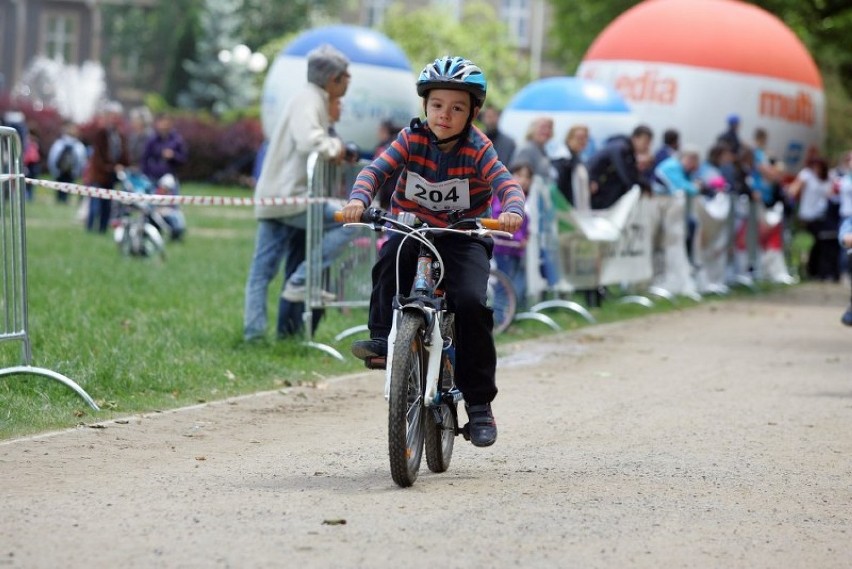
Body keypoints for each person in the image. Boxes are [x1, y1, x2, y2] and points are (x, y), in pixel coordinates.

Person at [341, 55, 525, 448]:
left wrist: (511, 209)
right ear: (425, 105)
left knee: (472, 304)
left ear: (473, 113)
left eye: (458, 108)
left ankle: (478, 405)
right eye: (438, 105)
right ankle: (380, 337)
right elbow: (374, 171)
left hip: (464, 235)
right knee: (390, 257)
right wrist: (360, 198)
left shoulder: (479, 147)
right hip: (416, 228)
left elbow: (506, 183)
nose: (446, 114)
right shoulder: (411, 139)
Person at [244, 44, 354, 341]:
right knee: (351, 220)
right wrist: (337, 148)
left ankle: (253, 335)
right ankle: (302, 280)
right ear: (333, 78)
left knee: (261, 272)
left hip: (273, 197)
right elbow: (309, 141)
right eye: (346, 77)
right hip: (292, 198)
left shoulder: (304, 98)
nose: (349, 82)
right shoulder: (311, 98)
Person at [492, 161, 533, 308]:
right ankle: (499, 319)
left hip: (517, 250)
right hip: (504, 249)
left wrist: (526, 237)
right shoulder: (503, 197)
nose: (524, 180)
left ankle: (511, 318)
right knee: (503, 287)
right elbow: (499, 220)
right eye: (520, 175)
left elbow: (525, 225)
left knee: (513, 287)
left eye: (528, 177)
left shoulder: (527, 200)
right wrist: (519, 237)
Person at [587, 124, 653, 210]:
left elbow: (633, 173)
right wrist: (642, 187)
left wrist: (645, 186)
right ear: (635, 138)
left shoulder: (626, 149)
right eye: (646, 143)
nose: (647, 147)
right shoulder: (620, 148)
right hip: (593, 184)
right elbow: (626, 175)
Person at [86, 102, 129, 233]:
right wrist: (111, 167)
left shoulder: (119, 135)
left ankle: (102, 229)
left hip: (111, 176)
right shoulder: (100, 133)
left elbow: (123, 155)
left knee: (107, 205)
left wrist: (121, 166)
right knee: (95, 204)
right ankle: (90, 229)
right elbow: (98, 158)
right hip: (99, 175)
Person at [46, 121, 87, 203]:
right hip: (71, 171)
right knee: (68, 188)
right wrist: (77, 171)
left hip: (60, 171)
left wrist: (54, 170)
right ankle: (65, 202)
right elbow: (82, 160)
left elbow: (52, 158)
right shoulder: (79, 145)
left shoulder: (59, 143)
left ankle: (59, 202)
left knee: (59, 189)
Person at [552, 124, 591, 210]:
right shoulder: (561, 160)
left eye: (585, 138)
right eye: (579, 138)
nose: (582, 141)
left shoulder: (577, 158)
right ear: (569, 138)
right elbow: (559, 189)